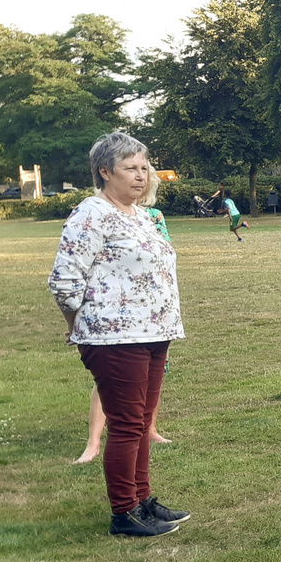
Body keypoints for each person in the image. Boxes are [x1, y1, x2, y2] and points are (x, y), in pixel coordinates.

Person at [49, 132, 188, 537]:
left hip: (153, 330)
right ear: (104, 171)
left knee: (141, 421)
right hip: (113, 337)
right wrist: (75, 327)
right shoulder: (90, 214)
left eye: (145, 167)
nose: (141, 175)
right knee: (127, 423)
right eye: (131, 168)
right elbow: (64, 281)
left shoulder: (140, 215)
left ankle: (143, 501)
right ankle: (124, 512)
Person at [73, 170, 174, 463]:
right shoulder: (96, 213)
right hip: (117, 324)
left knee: (150, 383)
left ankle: (150, 429)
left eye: (145, 174)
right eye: (133, 172)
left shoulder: (152, 217)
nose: (140, 180)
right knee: (111, 386)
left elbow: (165, 255)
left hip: (153, 318)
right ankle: (93, 443)